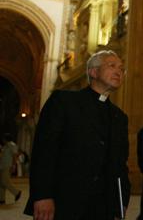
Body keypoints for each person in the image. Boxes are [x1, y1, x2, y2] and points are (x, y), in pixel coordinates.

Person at [24, 50, 131, 220]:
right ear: (93, 72)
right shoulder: (64, 102)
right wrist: (42, 195)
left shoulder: (120, 117)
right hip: (65, 202)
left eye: (122, 68)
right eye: (112, 66)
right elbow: (44, 150)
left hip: (103, 207)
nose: (119, 71)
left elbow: (120, 164)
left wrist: (121, 201)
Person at [0, 133, 21, 204]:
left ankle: (16, 192)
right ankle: (1, 199)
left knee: (5, 181)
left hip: (7, 165)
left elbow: (15, 155)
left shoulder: (12, 145)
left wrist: (13, 165)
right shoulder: (5, 146)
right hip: (2, 166)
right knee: (1, 183)